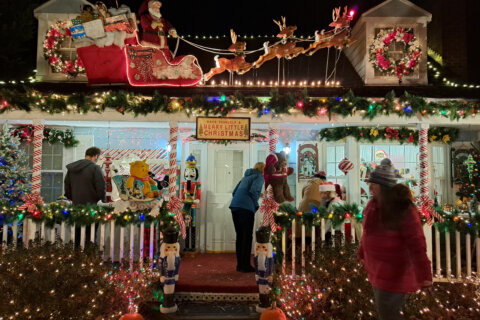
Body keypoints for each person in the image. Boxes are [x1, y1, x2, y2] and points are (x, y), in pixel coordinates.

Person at [357, 158, 432, 320]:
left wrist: (424, 274)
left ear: (383, 187)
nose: (370, 187)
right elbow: (368, 233)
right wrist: (362, 253)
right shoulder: (373, 205)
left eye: (374, 184)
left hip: (394, 275)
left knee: (389, 314)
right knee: (385, 311)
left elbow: (416, 242)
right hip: (377, 272)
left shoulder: (402, 208)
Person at [65, 147, 106, 247]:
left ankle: (77, 256)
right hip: (92, 206)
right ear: (96, 156)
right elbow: (101, 187)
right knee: (91, 235)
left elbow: (67, 186)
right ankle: (89, 257)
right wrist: (102, 200)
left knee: (77, 234)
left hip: (76, 206)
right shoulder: (95, 168)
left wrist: (73, 198)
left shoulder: (72, 169)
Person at [229, 162, 265, 273]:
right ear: (263, 169)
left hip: (235, 206)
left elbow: (234, 192)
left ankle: (239, 265)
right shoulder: (259, 176)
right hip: (246, 208)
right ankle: (245, 266)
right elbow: (254, 191)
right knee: (247, 237)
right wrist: (255, 204)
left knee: (240, 236)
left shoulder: (246, 177)